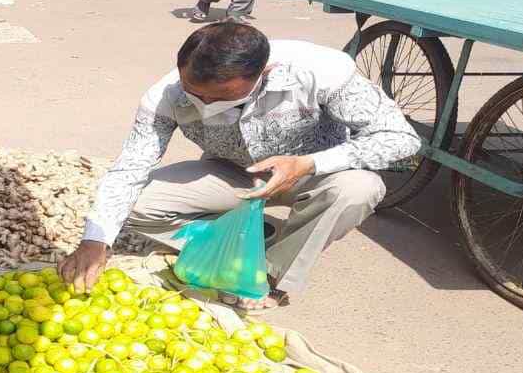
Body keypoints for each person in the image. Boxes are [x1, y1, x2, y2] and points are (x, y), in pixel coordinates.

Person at [58, 23, 420, 311]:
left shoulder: (319, 72)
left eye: (220, 97)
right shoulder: (165, 95)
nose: (202, 103)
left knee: (359, 189)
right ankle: (237, 239)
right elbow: (130, 168)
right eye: (193, 91)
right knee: (136, 205)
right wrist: (96, 240)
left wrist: (308, 164)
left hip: (314, 172)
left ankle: (272, 273)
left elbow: (401, 138)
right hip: (234, 172)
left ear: (264, 73)